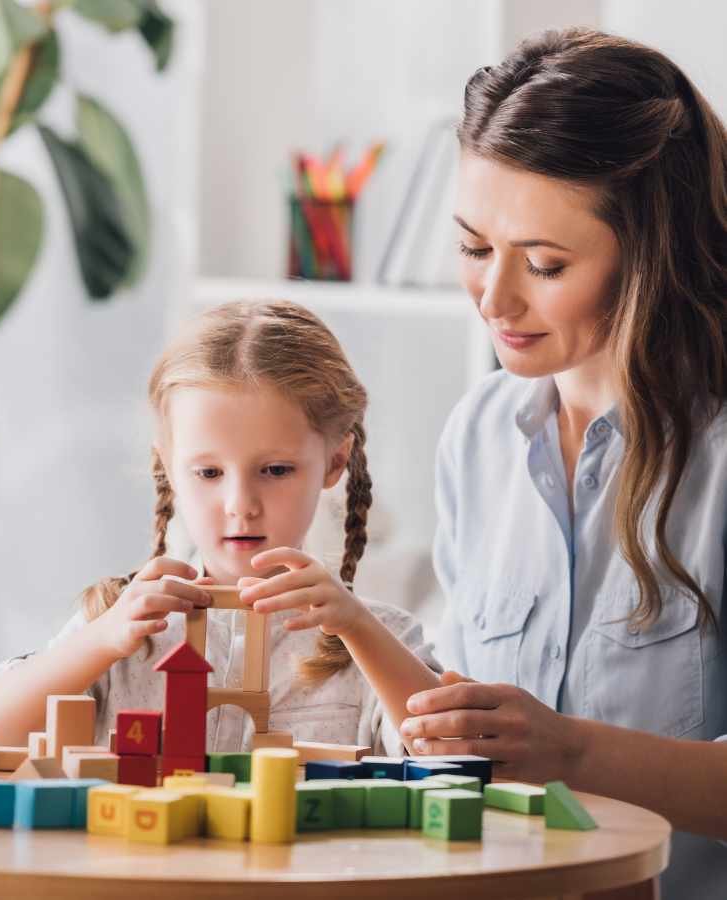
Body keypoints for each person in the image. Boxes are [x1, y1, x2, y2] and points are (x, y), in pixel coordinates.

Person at [398, 27, 727, 898]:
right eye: (474, 249)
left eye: (545, 264)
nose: (495, 299)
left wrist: (574, 753)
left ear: (650, 254)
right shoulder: (477, 437)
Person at [0, 299, 441, 757]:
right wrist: (104, 639)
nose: (241, 505)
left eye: (275, 470)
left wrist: (357, 626)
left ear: (335, 462)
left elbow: (448, 752)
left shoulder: (379, 637)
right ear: (169, 468)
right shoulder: (118, 624)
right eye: (209, 473)